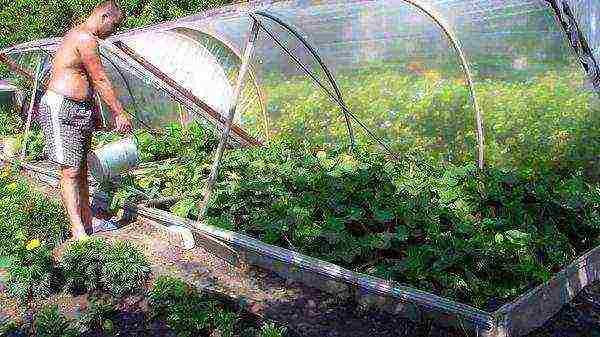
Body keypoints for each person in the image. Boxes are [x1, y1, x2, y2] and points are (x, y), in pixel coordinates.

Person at [39, 1, 132, 240]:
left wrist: (95, 113)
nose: (115, 30)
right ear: (104, 16)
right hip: (62, 107)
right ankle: (77, 229)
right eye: (115, 24)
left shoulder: (82, 37)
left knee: (80, 169)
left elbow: (87, 82)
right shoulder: (84, 38)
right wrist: (119, 112)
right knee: (70, 170)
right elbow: (99, 79)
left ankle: (88, 221)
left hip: (80, 109)